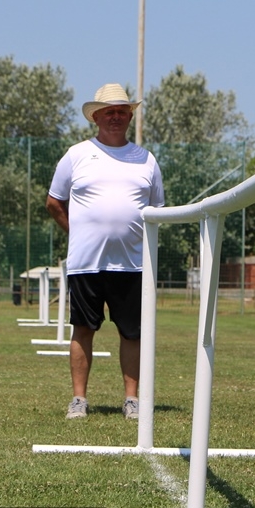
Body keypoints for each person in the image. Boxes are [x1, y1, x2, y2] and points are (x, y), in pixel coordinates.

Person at [46, 83, 165, 420]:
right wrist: (78, 232)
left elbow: (157, 209)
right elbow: (54, 202)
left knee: (132, 332)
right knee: (83, 329)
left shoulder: (146, 159)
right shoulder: (77, 154)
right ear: (95, 116)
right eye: (109, 111)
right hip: (86, 263)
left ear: (130, 116)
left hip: (132, 265)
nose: (116, 116)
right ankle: (79, 401)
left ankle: (132, 400)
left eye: (122, 111)